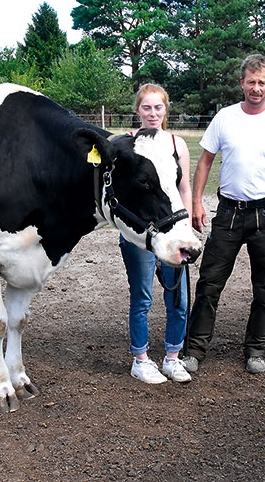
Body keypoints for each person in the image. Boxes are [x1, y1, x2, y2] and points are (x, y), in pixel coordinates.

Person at [183, 54, 265, 375]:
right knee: (209, 283)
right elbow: (204, 162)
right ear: (242, 83)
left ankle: (256, 349)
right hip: (228, 214)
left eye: (262, 83)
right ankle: (194, 349)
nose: (256, 88)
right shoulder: (224, 118)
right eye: (251, 82)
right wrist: (196, 202)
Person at [120, 84, 194, 384]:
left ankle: (172, 358)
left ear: (166, 109)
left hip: (174, 232)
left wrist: (186, 227)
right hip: (142, 235)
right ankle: (140, 359)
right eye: (147, 107)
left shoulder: (177, 144)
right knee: (142, 298)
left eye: (158, 107)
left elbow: (184, 188)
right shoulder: (126, 145)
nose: (153, 113)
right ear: (138, 110)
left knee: (178, 298)